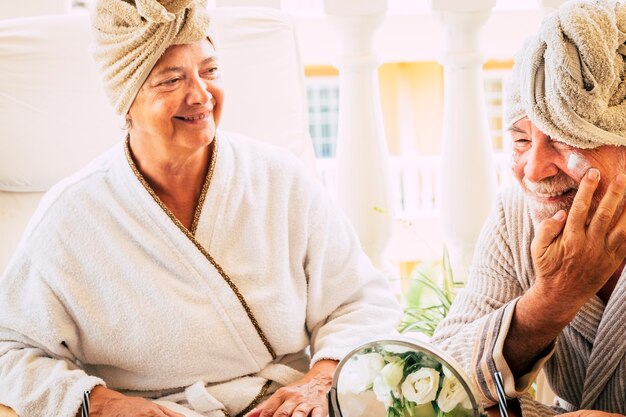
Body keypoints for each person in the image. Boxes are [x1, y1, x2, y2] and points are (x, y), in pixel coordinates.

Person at [0, 1, 401, 416]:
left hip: (290, 406)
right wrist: (103, 405)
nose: (201, 95)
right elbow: (8, 351)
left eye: (209, 71)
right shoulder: (73, 216)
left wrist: (321, 380)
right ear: (126, 102)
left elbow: (361, 301)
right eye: (171, 80)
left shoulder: (280, 179)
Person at [431, 1, 626, 416]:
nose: (533, 169)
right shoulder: (517, 216)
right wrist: (553, 298)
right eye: (521, 140)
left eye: (561, 137)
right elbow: (438, 380)